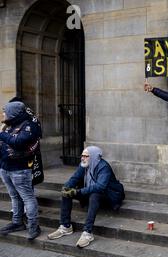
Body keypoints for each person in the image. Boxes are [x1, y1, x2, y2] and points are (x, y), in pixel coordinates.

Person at [47, 146, 125, 248]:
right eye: (82, 155)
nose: (82, 158)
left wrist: (78, 191)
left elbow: (100, 187)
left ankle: (87, 233)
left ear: (93, 157)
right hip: (91, 191)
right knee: (67, 193)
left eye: (86, 156)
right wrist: (66, 187)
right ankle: (65, 226)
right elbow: (75, 178)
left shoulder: (103, 167)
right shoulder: (84, 165)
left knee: (95, 194)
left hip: (110, 195)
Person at [0, 100, 41, 240]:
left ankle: (33, 226)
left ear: (13, 113)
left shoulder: (29, 125)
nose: (2, 114)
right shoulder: (9, 125)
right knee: (14, 196)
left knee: (27, 197)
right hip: (5, 167)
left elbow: (18, 142)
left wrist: (1, 133)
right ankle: (17, 222)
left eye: (5, 111)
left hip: (20, 169)